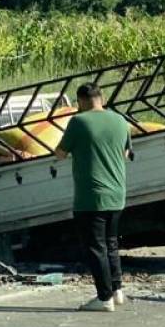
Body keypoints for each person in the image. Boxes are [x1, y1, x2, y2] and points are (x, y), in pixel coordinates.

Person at [55, 83, 131, 312]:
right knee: (111, 243)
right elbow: (125, 154)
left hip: (91, 196)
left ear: (80, 101)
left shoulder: (79, 122)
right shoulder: (120, 121)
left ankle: (104, 297)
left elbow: (60, 154)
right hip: (117, 194)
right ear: (102, 98)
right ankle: (117, 290)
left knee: (95, 247)